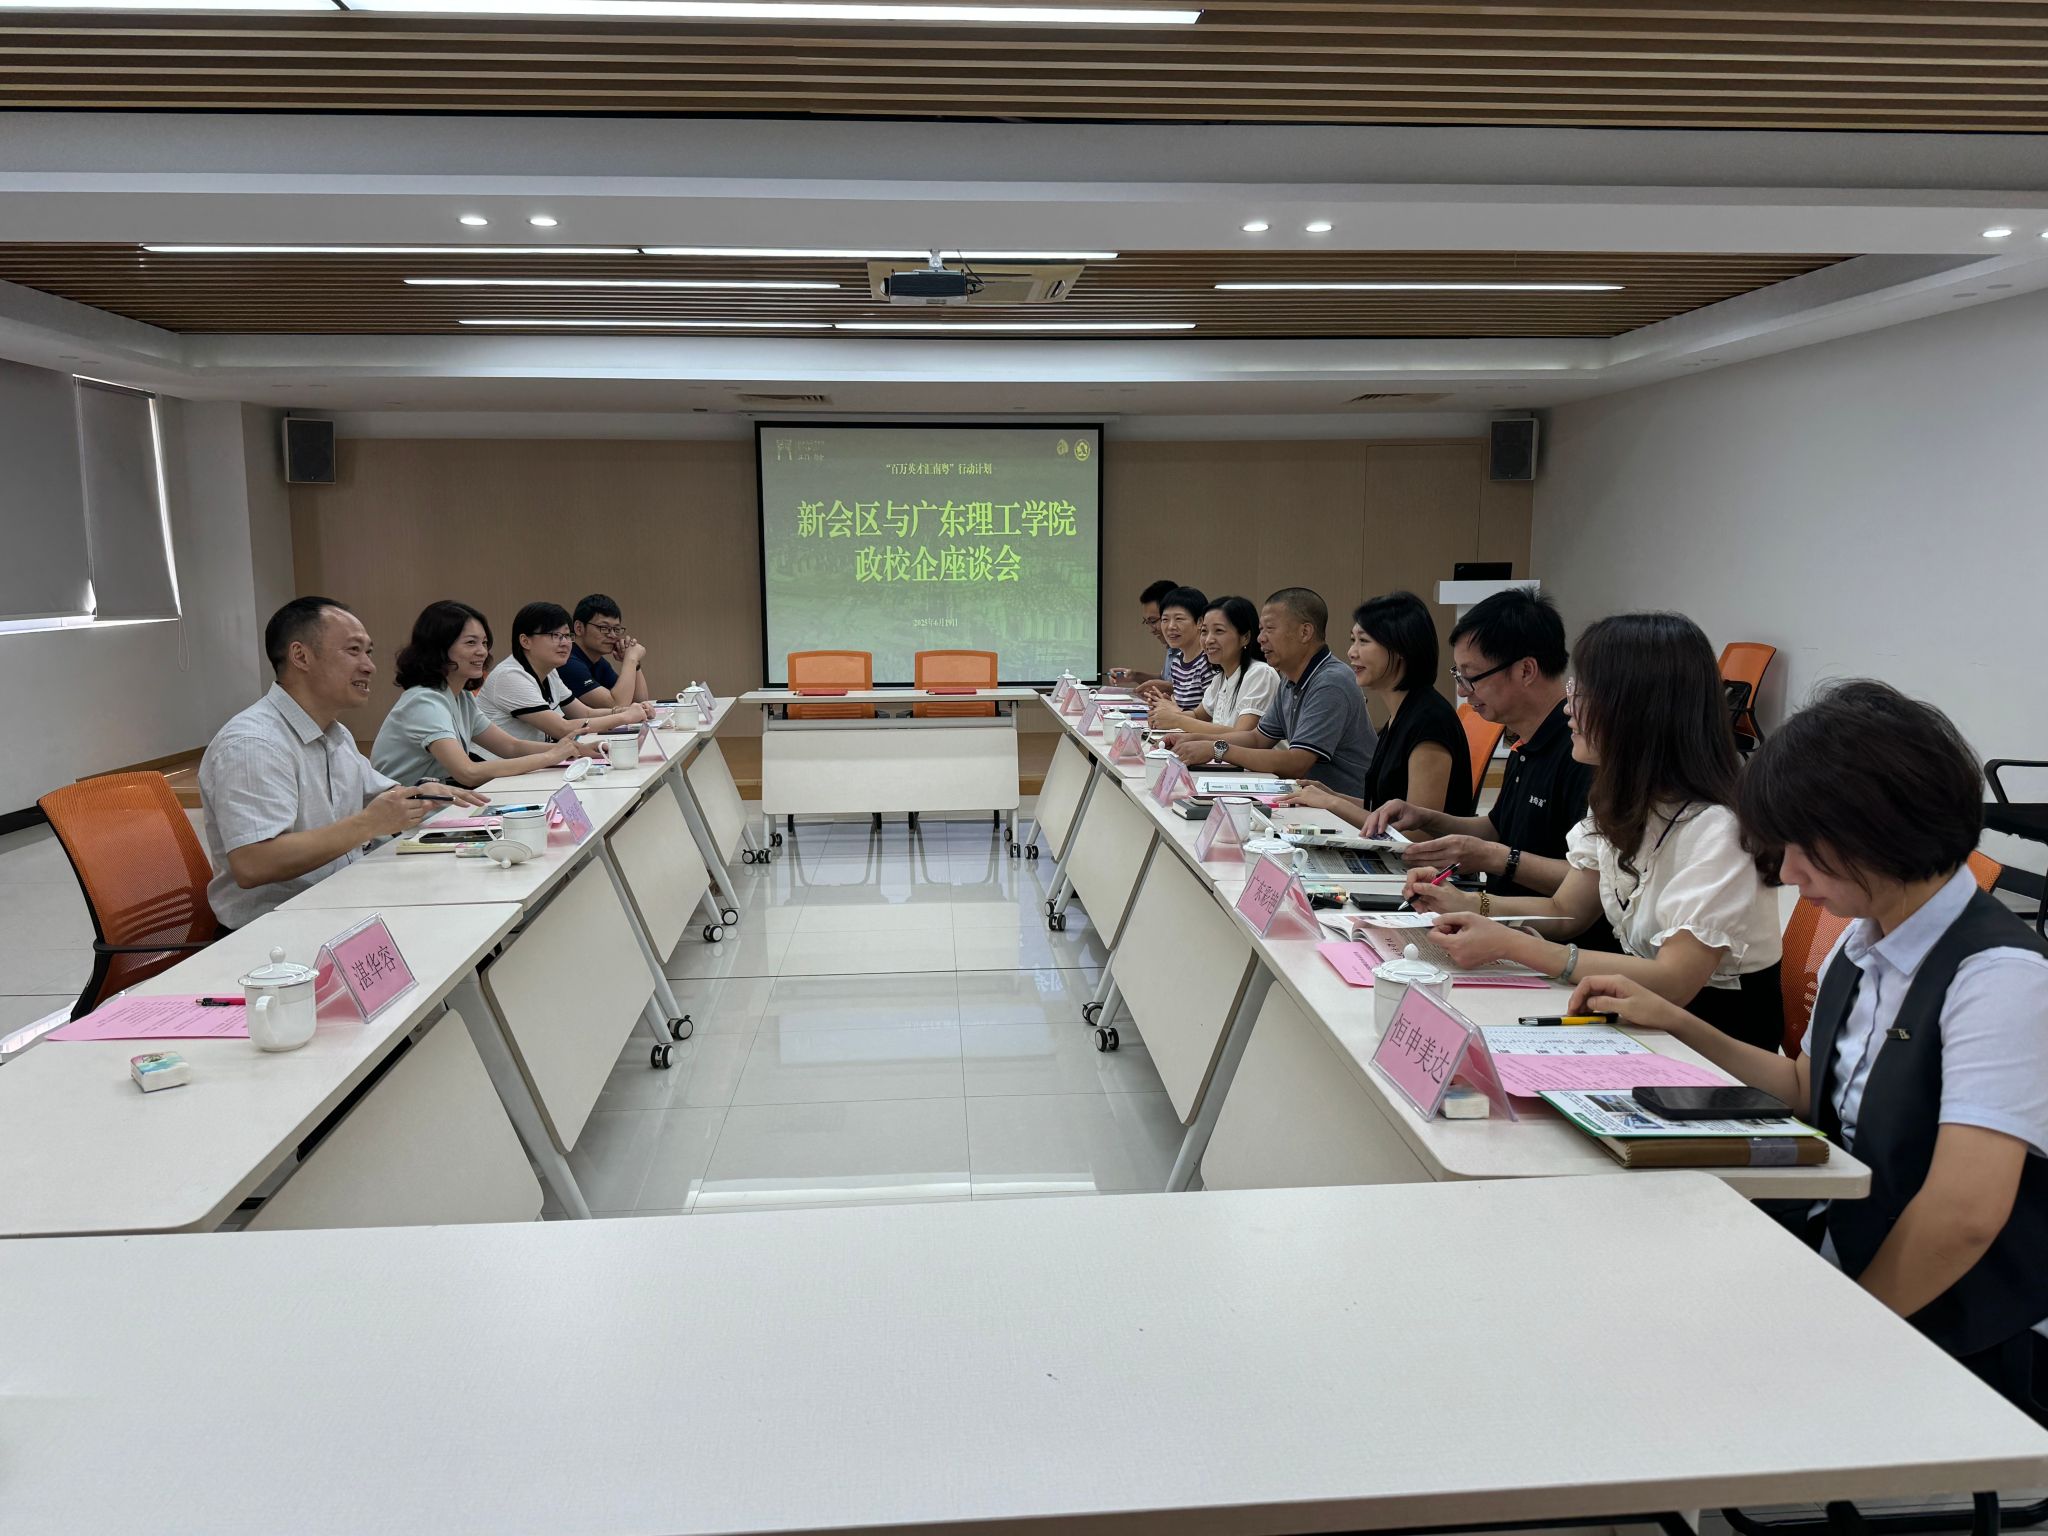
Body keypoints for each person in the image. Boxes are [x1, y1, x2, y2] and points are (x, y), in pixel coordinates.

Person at [1573, 682, 2048, 1408]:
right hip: (1846, 1242)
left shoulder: (2000, 978)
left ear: (1881, 829)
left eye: (1804, 850)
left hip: (1949, 1318)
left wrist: (1843, 1332)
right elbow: (1804, 1087)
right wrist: (1674, 1021)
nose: (1789, 874)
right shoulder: (1863, 943)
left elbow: (1964, 1216)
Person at [1404, 611, 1783, 1049]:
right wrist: (1468, 903)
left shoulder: (1719, 829)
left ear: (1641, 709)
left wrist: (1511, 944)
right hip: (1639, 1022)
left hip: (1712, 1045)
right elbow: (1566, 910)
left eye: (1583, 693)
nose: (1569, 707)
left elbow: (1674, 982)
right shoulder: (1622, 801)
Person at [198, 597, 488, 928]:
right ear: (301, 656)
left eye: (368, 652)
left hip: (342, 900)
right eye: (353, 650)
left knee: (464, 906)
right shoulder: (254, 743)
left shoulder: (335, 733)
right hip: (276, 929)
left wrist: (421, 794)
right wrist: (368, 823)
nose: (369, 666)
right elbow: (253, 863)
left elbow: (378, 794)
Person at [1357, 587, 1592, 900]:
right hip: (1494, 912)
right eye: (1459, 675)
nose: (1463, 691)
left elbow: (1588, 883)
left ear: (1526, 670)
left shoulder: (1583, 752)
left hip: (1529, 924)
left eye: (1472, 676)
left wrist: (1493, 857)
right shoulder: (1526, 743)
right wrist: (1425, 817)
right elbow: (1496, 828)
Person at [1171, 586, 1376, 798]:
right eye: (1261, 629)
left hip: (1345, 807)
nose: (1260, 638)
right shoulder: (1290, 679)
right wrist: (1197, 739)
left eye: (1269, 629)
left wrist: (1217, 749)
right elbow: (1258, 738)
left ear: (1305, 632)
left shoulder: (1331, 681)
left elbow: (1297, 762)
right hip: (1309, 798)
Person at [1282, 591, 1472, 818]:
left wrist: (1333, 803)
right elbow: (1382, 808)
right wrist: (1331, 796)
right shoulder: (1401, 714)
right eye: (1353, 640)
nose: (1351, 652)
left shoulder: (1430, 722)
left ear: (1400, 648)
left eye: (1363, 641)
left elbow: (1417, 831)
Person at [371, 600, 593, 788]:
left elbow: (511, 747)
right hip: (403, 817)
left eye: (485, 643)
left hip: (437, 804)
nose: (482, 651)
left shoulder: (462, 696)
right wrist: (550, 756)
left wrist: (574, 750)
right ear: (439, 648)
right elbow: (467, 772)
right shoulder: (424, 701)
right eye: (471, 643)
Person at [478, 601, 655, 743]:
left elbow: (585, 713)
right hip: (498, 771)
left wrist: (627, 711)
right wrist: (624, 717)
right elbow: (562, 728)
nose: (564, 643)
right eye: (555, 636)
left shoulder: (550, 672)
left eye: (567, 636)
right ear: (525, 641)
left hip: (532, 764)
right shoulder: (510, 676)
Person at [1146, 595, 1281, 741]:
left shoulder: (1261, 673)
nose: (1208, 640)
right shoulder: (1220, 678)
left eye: (1219, 631)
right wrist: (1165, 715)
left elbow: (1242, 735)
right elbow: (1197, 715)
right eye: (1204, 631)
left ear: (1245, 637)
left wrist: (1178, 720)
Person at [561, 593, 652, 710]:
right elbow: (617, 705)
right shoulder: (568, 662)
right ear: (579, 628)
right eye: (604, 628)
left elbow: (640, 700)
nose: (613, 635)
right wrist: (631, 659)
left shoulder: (599, 662)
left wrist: (636, 665)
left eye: (616, 629)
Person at [1136, 585, 1213, 711]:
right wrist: (1164, 703)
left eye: (1179, 619)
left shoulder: (1208, 662)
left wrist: (1174, 712)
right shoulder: (1177, 662)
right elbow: (1182, 707)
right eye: (1165, 619)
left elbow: (1212, 716)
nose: (1171, 626)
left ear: (1200, 622)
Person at [1107, 577, 1178, 687]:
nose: (1151, 629)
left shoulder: (1193, 651)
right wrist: (1135, 676)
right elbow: (1164, 680)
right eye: (1147, 622)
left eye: (1153, 621)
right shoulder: (1172, 647)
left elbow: (1182, 691)